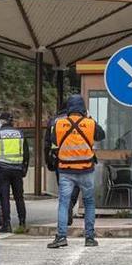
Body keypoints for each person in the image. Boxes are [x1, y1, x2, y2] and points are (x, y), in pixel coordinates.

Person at [47, 94, 105, 249]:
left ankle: (61, 237)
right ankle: (90, 238)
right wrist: (90, 119)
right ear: (82, 108)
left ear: (68, 109)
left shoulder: (59, 124)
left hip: (66, 170)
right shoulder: (90, 123)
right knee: (89, 203)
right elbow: (101, 135)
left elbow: (54, 140)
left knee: (64, 203)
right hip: (86, 170)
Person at [0, 111, 28, 233]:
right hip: (17, 170)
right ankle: (22, 223)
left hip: (3, 170)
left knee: (5, 197)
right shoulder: (20, 133)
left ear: (2, 121)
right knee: (19, 197)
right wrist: (24, 169)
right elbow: (26, 154)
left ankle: (7, 224)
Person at [45, 101, 79, 226]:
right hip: (77, 156)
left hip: (58, 157)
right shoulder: (78, 120)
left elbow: (47, 143)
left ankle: (66, 209)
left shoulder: (53, 121)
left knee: (63, 187)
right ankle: (70, 204)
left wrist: (48, 161)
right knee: (77, 184)